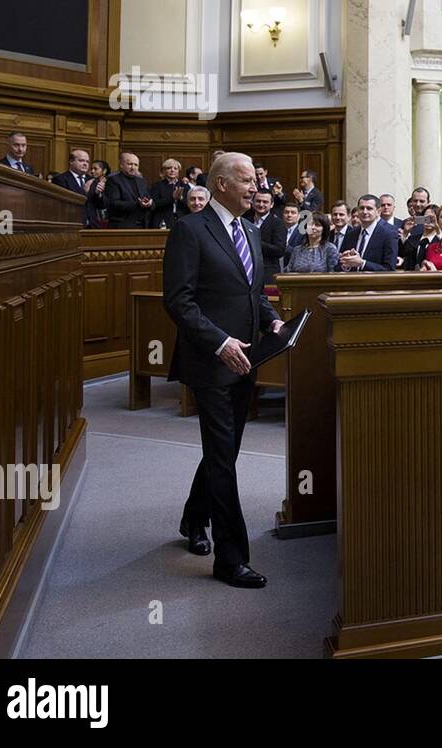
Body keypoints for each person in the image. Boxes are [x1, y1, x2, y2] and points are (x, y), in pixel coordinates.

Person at [162, 152, 282, 589]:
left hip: (246, 359)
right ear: (221, 184)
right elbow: (179, 300)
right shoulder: (189, 230)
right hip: (211, 362)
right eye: (247, 180)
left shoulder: (249, 229)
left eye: (256, 180)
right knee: (222, 458)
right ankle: (231, 560)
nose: (256, 187)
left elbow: (253, 291)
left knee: (223, 453)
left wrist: (271, 318)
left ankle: (193, 519)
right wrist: (219, 341)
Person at [338, 195, 399, 271]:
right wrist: (346, 264)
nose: (364, 212)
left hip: (375, 282)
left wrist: (362, 263)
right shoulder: (351, 234)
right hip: (352, 281)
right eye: (361, 208)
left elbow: (389, 268)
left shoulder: (389, 234)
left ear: (378, 212)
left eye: (369, 208)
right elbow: (339, 266)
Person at [105, 152, 153, 228]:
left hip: (142, 226)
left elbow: (148, 198)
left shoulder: (141, 181)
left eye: (136, 165)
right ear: (121, 165)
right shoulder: (113, 180)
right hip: (122, 226)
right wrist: (138, 204)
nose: (133, 167)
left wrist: (150, 203)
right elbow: (114, 203)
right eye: (130, 164)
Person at [149, 158, 190, 228]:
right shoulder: (157, 186)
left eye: (175, 168)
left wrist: (181, 198)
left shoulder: (184, 185)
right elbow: (154, 204)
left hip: (181, 219)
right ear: (164, 171)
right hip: (162, 220)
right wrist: (172, 198)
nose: (172, 170)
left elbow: (190, 204)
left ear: (178, 171)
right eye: (169, 168)